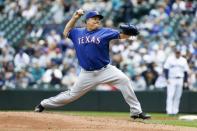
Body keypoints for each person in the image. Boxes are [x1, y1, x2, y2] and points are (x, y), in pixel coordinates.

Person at [34, 9, 151, 120]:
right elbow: (66, 32)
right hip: (87, 74)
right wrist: (75, 17)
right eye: (94, 18)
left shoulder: (105, 31)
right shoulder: (77, 32)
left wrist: (129, 34)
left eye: (98, 19)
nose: (97, 20)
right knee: (71, 95)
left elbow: (122, 36)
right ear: (87, 21)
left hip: (105, 70)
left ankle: (136, 112)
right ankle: (43, 104)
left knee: (124, 80)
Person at [164, 48, 189, 115]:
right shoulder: (170, 59)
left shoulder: (183, 60)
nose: (177, 53)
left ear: (180, 53)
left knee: (178, 96)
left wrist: (186, 81)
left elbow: (186, 71)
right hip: (171, 79)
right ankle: (169, 111)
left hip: (180, 79)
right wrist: (166, 78)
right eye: (177, 52)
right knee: (170, 95)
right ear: (175, 53)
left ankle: (175, 111)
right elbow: (166, 69)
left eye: (179, 52)